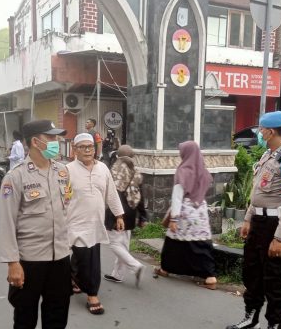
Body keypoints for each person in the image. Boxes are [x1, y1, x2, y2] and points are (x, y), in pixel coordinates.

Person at [0, 119, 80, 329]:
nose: (56, 142)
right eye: (51, 137)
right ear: (36, 141)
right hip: (30, 258)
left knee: (58, 306)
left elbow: (66, 207)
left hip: (59, 255)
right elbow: (7, 223)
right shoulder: (16, 177)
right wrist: (13, 262)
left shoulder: (61, 172)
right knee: (25, 310)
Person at [225, 111, 281, 329]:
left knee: (273, 278)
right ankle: (251, 319)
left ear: (270, 131)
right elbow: (257, 193)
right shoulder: (269, 155)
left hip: (276, 226)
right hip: (259, 224)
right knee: (252, 273)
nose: (259, 134)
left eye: (261, 130)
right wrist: (249, 219)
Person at [66, 133, 124, 315]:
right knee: (87, 258)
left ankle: (76, 280)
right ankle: (92, 294)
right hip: (74, 222)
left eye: (90, 146)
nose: (87, 150)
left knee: (85, 255)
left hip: (96, 222)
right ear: (75, 150)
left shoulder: (103, 169)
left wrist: (119, 215)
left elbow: (111, 193)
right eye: (82, 147)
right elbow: (60, 197)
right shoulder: (67, 170)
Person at [154, 141, 217, 289]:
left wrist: (174, 218)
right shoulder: (203, 171)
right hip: (200, 211)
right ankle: (210, 277)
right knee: (201, 243)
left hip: (185, 211)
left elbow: (177, 196)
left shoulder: (183, 170)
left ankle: (165, 268)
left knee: (172, 242)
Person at [103, 145, 147, 287]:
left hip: (117, 211)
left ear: (118, 156)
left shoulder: (115, 170)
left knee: (114, 243)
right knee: (124, 244)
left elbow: (110, 194)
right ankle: (118, 275)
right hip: (131, 211)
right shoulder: (136, 171)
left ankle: (135, 266)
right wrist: (143, 216)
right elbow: (140, 195)